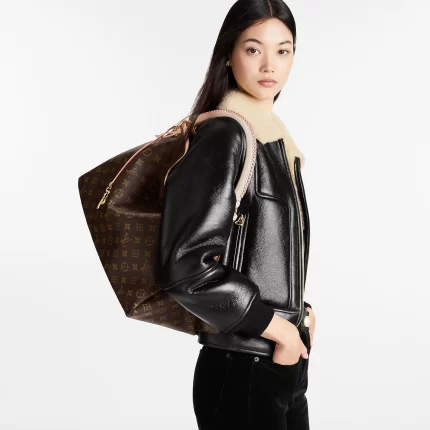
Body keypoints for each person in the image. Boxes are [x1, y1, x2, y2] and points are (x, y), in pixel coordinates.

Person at [157, 1, 316, 428]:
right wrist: (279, 329)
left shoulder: (274, 139)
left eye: (283, 50)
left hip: (278, 364)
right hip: (241, 368)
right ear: (229, 54)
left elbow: (258, 251)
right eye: (253, 49)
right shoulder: (226, 135)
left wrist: (300, 314)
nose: (270, 65)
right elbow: (186, 267)